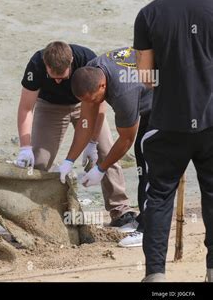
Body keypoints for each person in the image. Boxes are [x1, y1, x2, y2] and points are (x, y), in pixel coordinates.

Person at [134, 0, 213, 282]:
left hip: (168, 122)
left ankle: (156, 274)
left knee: (159, 196)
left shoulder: (149, 14)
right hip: (211, 121)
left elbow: (145, 77)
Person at [16, 41, 137, 228]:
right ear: (45, 65)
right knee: (39, 161)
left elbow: (100, 101)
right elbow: (26, 108)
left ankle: (120, 210)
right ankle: (31, 217)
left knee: (106, 151)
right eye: (52, 77)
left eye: (62, 77)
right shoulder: (36, 65)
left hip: (86, 104)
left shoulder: (88, 59)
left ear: (71, 62)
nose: (57, 81)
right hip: (50, 108)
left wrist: (92, 142)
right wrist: (25, 147)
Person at [60, 47, 153, 248]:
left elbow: (125, 139)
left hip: (170, 99)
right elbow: (86, 122)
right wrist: (69, 160)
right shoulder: (91, 71)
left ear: (103, 86)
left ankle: (149, 230)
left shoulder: (123, 93)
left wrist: (101, 169)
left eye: (93, 99)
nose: (90, 103)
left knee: (149, 159)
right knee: (142, 155)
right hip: (147, 92)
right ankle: (144, 217)